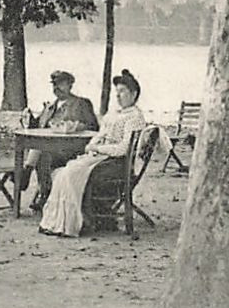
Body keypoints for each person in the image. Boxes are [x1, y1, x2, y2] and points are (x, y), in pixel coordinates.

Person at [37, 70, 149, 238]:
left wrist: (98, 149)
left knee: (70, 173)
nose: (118, 96)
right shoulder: (115, 114)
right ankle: (58, 222)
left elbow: (123, 149)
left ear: (134, 94)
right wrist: (92, 145)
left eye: (123, 92)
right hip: (102, 158)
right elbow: (100, 134)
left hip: (117, 164)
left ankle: (71, 224)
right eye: (116, 92)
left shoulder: (134, 118)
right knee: (63, 172)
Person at [24, 71, 101, 211]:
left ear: (70, 85)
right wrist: (29, 120)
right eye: (54, 84)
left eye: (60, 84)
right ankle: (43, 192)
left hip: (73, 150)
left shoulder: (81, 103)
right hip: (50, 150)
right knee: (42, 152)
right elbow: (39, 127)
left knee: (42, 153)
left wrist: (76, 127)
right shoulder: (50, 107)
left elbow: (94, 128)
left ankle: (33, 181)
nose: (56, 87)